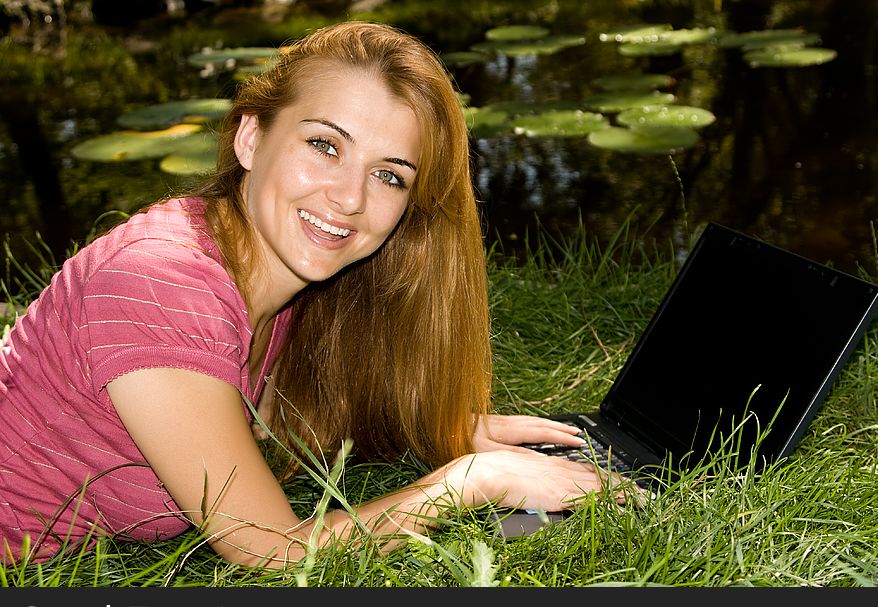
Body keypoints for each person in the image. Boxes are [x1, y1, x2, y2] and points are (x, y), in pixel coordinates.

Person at [0, 21, 623, 568]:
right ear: (250, 138)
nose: (350, 198)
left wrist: (435, 429)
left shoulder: (261, 273)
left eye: (388, 175)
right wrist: (469, 480)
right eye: (324, 145)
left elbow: (274, 423)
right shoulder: (162, 287)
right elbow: (275, 552)